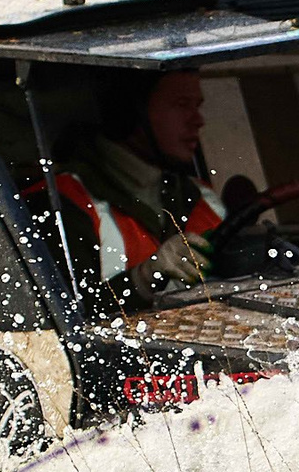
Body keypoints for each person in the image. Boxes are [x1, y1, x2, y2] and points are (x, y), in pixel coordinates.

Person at [28, 71, 260, 306]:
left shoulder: (203, 197)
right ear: (129, 113)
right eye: (181, 105)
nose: (197, 120)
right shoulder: (61, 203)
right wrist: (146, 276)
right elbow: (64, 315)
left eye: (196, 105)